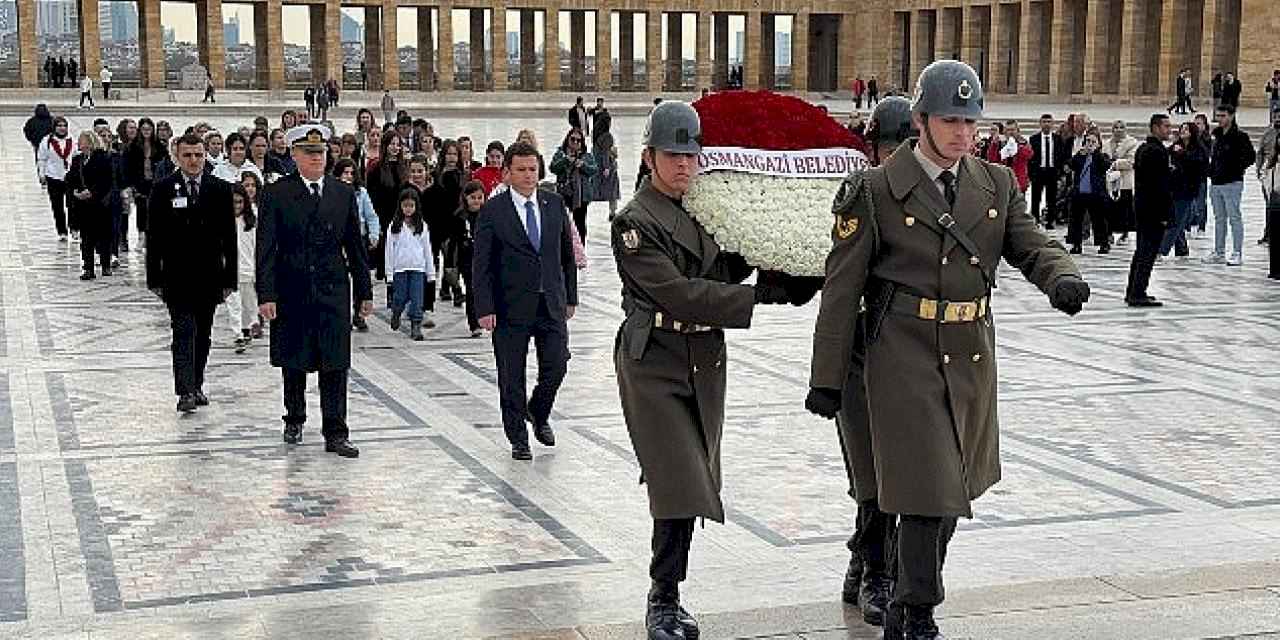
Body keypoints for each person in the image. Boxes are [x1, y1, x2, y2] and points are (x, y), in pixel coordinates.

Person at [805, 60, 1088, 640]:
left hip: (970, 352)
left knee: (951, 490)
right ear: (921, 120)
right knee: (926, 490)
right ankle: (916, 613)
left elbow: (1029, 241)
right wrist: (827, 378)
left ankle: (912, 602)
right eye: (950, 120)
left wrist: (1060, 275)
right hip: (902, 355)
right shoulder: (876, 188)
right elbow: (841, 290)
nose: (962, 132)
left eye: (970, 120)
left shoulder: (995, 183)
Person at [609, 101, 796, 640]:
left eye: (692, 155)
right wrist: (757, 297)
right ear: (649, 158)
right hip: (655, 364)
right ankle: (661, 599)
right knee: (679, 482)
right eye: (673, 155)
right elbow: (680, 294)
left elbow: (725, 265)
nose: (684, 165)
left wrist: (782, 265)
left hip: (703, 362)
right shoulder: (635, 222)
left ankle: (670, 593)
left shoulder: (705, 209)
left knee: (693, 480)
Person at [825, 96, 917, 628]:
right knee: (870, 474)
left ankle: (865, 565)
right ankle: (876, 573)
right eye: (887, 147)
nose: (895, 156)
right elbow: (840, 287)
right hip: (862, 353)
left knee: (903, 473)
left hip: (909, 357)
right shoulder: (860, 197)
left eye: (903, 145)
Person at [256, 123, 373, 458]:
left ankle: (336, 431)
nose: (317, 158)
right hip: (292, 288)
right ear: (294, 155)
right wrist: (267, 295)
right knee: (294, 358)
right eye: (309, 153)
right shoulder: (277, 194)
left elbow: (356, 247)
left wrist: (363, 292)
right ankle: (294, 417)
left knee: (335, 362)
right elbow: (266, 247)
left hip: (332, 288)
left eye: (321, 152)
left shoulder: (342, 192)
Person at [471, 141, 578, 461]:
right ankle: (517, 436)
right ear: (506, 173)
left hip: (550, 302)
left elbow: (566, 255)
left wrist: (570, 296)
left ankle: (539, 410)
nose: (529, 175)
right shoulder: (493, 210)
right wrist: (484, 307)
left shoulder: (554, 204)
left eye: (533, 169)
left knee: (557, 363)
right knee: (511, 375)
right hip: (510, 306)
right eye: (521, 170)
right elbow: (482, 263)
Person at [146, 134, 238, 413]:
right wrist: (154, 278)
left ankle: (197, 383)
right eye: (187, 155)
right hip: (177, 277)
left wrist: (229, 279)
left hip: (209, 277)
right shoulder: (163, 189)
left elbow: (229, 238)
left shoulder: (220, 189)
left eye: (198, 155)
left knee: (204, 334)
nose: (193, 160)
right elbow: (155, 237)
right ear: (178, 156)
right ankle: (184, 390)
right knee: (183, 332)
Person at [1126, 114, 1176, 307]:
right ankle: (1138, 294)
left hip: (1142, 207)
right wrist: (1164, 214)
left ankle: (1134, 290)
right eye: (1165, 126)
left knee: (1141, 251)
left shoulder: (1144, 149)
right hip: (1153, 210)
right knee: (1147, 253)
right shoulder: (1156, 152)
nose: (1169, 130)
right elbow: (1159, 186)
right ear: (1155, 128)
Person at [1203, 104, 1256, 266]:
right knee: (1219, 219)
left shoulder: (1240, 137)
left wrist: (1235, 169)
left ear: (1231, 116)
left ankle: (1237, 252)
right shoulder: (1217, 135)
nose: (1220, 119)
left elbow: (1250, 157)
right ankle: (1219, 251)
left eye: (1223, 116)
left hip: (1232, 182)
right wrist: (1211, 171)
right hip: (1216, 182)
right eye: (1218, 116)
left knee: (1234, 218)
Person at [333, 158, 381, 332]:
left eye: (351, 173)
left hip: (357, 238)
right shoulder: (332, 192)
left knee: (361, 275)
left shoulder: (361, 193)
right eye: (345, 172)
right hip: (337, 240)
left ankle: (359, 313)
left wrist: (374, 235)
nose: (348, 176)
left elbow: (371, 216)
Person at [385, 188, 435, 340]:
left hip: (418, 269)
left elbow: (427, 249)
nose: (408, 209)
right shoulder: (394, 226)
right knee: (400, 296)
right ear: (400, 206)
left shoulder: (422, 226)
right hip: (400, 269)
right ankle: (396, 312)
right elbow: (389, 250)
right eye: (405, 205)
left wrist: (430, 272)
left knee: (417, 298)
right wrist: (389, 273)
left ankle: (416, 326)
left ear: (416, 207)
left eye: (411, 206)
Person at [67, 129, 115, 279]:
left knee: (103, 237)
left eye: (82, 140)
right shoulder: (77, 160)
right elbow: (70, 178)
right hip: (83, 206)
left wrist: (92, 193)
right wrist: (75, 192)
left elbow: (106, 181)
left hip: (100, 205)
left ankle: (106, 265)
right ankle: (88, 267)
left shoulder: (102, 158)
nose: (80, 143)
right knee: (86, 238)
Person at [1162, 122, 1210, 259]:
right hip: (1173, 188)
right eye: (1181, 129)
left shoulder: (1198, 149)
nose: (1183, 131)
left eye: (1186, 129)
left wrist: (1182, 154)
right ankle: (1181, 248)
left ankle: (1162, 250)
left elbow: (1198, 165)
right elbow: (1166, 156)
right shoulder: (1176, 146)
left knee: (1177, 221)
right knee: (1177, 219)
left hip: (1187, 190)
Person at [220, 184, 258, 353]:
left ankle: (247, 328)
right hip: (228, 271)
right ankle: (238, 335)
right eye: (233, 202)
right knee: (233, 303)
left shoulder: (251, 221)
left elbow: (257, 247)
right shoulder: (220, 221)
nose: (237, 206)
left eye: (240, 202)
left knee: (248, 303)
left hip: (248, 270)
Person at [1067, 132, 1113, 254]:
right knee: (1076, 220)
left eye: (1093, 142)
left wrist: (1095, 153)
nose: (1090, 144)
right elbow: (1070, 166)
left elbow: (1106, 166)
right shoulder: (1080, 156)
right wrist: (1078, 155)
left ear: (1098, 144)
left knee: (1099, 220)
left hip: (1096, 194)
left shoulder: (1101, 156)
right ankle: (1076, 244)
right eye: (1088, 141)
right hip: (1080, 193)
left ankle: (1103, 243)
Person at [551, 128, 598, 244]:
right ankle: (564, 249)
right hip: (564, 193)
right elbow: (553, 168)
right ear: (567, 139)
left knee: (580, 224)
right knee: (563, 223)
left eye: (579, 140)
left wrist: (583, 165)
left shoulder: (586, 156)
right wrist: (565, 160)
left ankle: (580, 249)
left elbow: (594, 170)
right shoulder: (560, 153)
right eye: (573, 139)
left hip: (582, 196)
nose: (576, 143)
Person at [37, 116, 75, 241]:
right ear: (54, 127)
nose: (62, 128)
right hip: (53, 176)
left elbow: (76, 157)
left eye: (64, 125)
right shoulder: (47, 141)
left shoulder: (72, 140)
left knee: (72, 205)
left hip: (69, 177)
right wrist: (41, 174)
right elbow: (42, 159)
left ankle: (74, 228)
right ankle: (62, 231)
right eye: (59, 125)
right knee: (57, 206)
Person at [456, 180, 486, 337]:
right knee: (472, 291)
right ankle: (474, 323)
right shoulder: (460, 217)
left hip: (486, 259)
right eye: (473, 197)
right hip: (467, 260)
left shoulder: (488, 215)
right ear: (466, 198)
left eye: (480, 197)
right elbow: (453, 242)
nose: (476, 201)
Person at [1029, 114, 1068, 228]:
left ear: (1052, 124)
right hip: (1039, 172)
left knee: (1051, 198)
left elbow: (1061, 156)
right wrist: (1031, 173)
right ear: (1040, 123)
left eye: (1049, 122)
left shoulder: (1058, 139)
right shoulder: (1034, 139)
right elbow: (1031, 158)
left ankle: (1050, 220)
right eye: (1044, 121)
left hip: (1052, 172)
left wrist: (1060, 173)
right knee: (1035, 198)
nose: (1046, 124)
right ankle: (1035, 219)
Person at [1105, 120, 1140, 246]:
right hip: (1110, 181)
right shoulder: (1107, 143)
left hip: (1125, 181)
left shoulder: (1132, 143)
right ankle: (1108, 233)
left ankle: (1125, 233)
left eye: (1121, 127)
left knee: (1125, 208)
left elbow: (1131, 161)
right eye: (1116, 127)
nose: (1118, 130)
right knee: (1109, 208)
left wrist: (1114, 163)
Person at [1254, 111, 1280, 245]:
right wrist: (1259, 171)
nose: (1277, 119)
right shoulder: (1267, 134)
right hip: (1269, 175)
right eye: (1275, 117)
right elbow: (1259, 153)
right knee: (1270, 206)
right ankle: (1268, 234)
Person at [593, 116, 622, 219]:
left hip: (598, 165)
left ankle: (612, 211)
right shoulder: (607, 136)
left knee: (601, 189)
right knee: (613, 190)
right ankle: (613, 212)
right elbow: (606, 153)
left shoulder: (597, 135)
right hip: (608, 166)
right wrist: (607, 167)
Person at [24, 104, 54, 172]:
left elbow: (27, 131)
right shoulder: (51, 120)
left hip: (39, 144)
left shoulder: (32, 121)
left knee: (40, 160)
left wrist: (32, 140)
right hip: (48, 144)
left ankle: (41, 174)